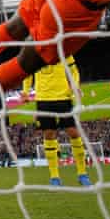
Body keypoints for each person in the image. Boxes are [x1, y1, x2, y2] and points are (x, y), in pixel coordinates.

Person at [23, 56, 91, 186]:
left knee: (73, 132)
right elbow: (28, 74)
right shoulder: (34, 52)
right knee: (49, 134)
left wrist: (75, 85)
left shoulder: (63, 49)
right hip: (43, 99)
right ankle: (54, 177)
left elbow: (74, 70)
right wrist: (25, 91)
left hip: (63, 97)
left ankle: (82, 173)